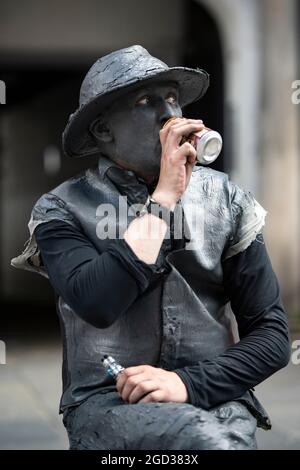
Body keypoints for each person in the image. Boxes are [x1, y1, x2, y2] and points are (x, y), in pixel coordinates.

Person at [11, 45, 290, 450]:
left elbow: (273, 337)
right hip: (110, 403)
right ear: (104, 131)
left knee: (215, 440)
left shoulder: (228, 200)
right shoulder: (62, 208)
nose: (170, 115)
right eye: (146, 102)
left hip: (215, 399)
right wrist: (162, 202)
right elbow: (98, 302)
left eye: (173, 98)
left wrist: (187, 383)